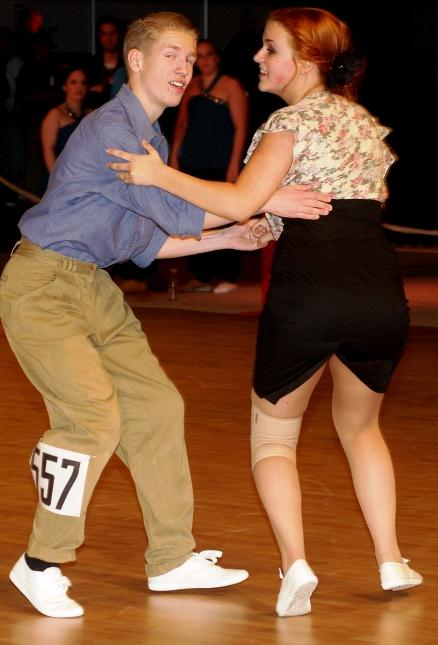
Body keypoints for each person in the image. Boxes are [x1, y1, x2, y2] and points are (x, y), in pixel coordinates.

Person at [0, 11, 331, 620]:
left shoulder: (146, 143)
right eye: (171, 55)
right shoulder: (113, 132)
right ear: (136, 61)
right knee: (92, 418)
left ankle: (171, 558)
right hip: (42, 286)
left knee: (157, 406)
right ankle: (40, 563)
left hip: (92, 285)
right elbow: (182, 211)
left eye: (189, 57)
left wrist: (226, 241)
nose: (183, 68)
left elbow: (142, 242)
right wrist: (258, 198)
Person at [106, 7, 423, 618]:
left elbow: (241, 199)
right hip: (379, 293)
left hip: (310, 290)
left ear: (305, 61)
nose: (257, 57)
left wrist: (158, 174)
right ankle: (390, 559)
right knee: (361, 430)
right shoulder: (362, 121)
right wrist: (258, 219)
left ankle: (294, 565)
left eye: (270, 48)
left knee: (274, 438)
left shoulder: (289, 122)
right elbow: (310, 206)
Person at [169, 38, 249, 294]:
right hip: (193, 160)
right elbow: (181, 124)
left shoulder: (231, 85)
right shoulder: (190, 86)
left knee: (224, 218)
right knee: (195, 219)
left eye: (207, 55)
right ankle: (201, 274)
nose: (203, 61)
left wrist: (234, 164)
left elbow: (240, 128)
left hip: (220, 161)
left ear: (217, 58)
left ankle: (227, 275)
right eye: (198, 56)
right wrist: (173, 157)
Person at [40, 66, 91, 179]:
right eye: (73, 82)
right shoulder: (54, 114)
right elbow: (48, 150)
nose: (79, 87)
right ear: (64, 86)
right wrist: (57, 180)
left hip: (86, 176)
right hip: (60, 177)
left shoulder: (91, 114)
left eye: (83, 83)